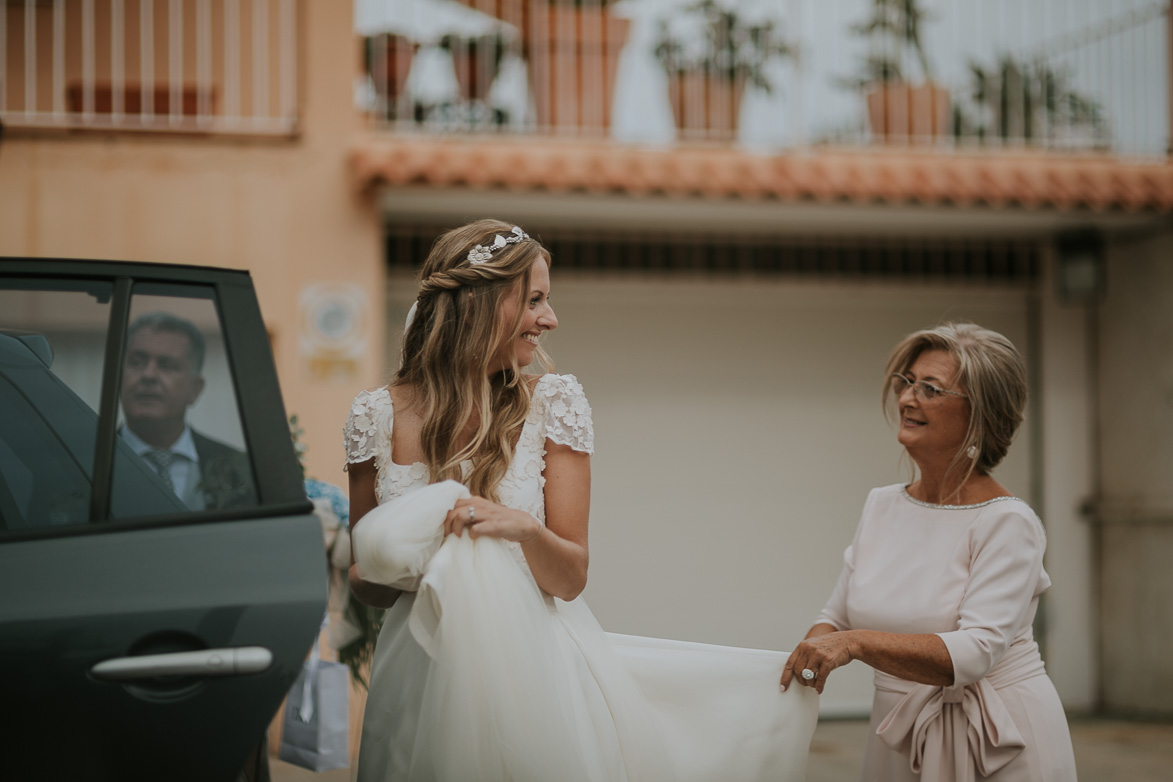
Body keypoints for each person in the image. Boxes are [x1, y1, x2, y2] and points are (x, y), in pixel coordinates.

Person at [344, 219, 817, 782]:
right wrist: (412, 553)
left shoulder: (553, 403)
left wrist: (520, 529)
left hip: (535, 676)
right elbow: (365, 583)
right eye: (535, 300)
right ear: (479, 304)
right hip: (417, 671)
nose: (551, 318)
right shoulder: (374, 415)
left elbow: (571, 576)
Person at [780, 323, 1077, 781]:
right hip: (896, 733)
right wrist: (793, 665)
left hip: (998, 741)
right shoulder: (881, 505)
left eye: (931, 389)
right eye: (907, 382)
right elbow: (835, 619)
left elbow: (976, 651)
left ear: (978, 414)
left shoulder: (1007, 522)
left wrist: (854, 644)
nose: (906, 399)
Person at [119, 311, 255, 510]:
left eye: (167, 365)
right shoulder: (83, 463)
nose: (148, 375)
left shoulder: (240, 470)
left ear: (195, 389)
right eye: (137, 362)